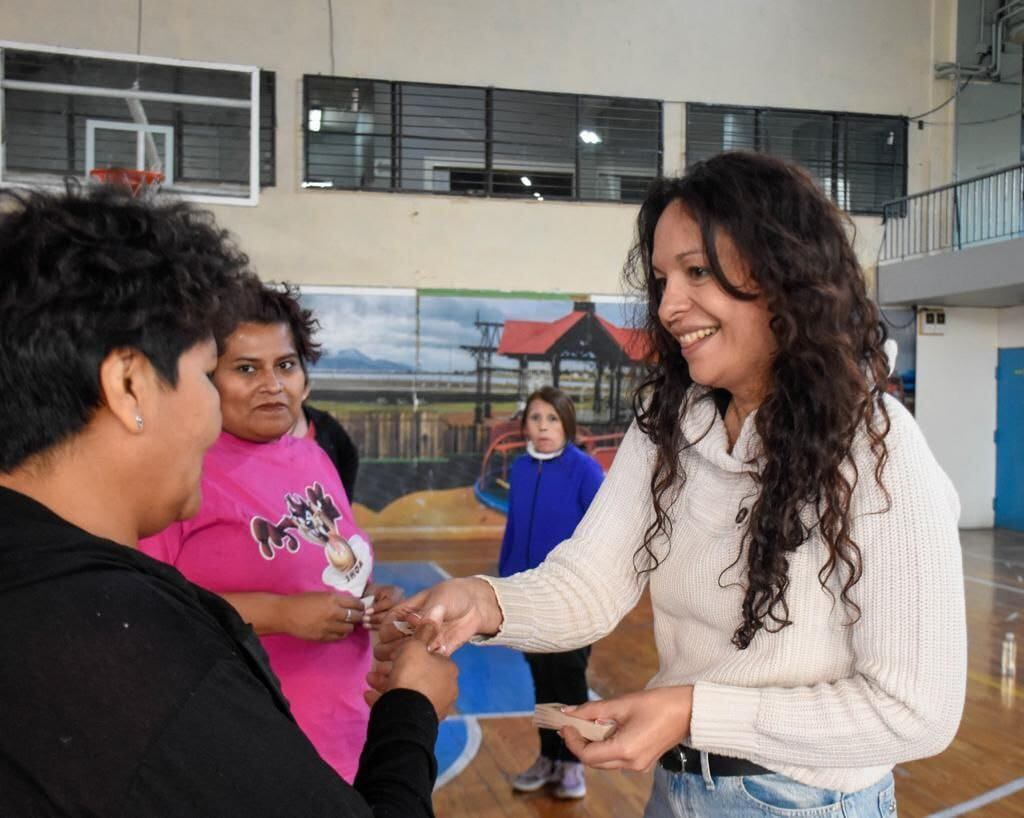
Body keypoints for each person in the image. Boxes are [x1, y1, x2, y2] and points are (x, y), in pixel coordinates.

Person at [381, 152, 966, 817]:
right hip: (679, 788)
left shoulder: (877, 447)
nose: (669, 306)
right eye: (661, 279)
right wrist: (483, 602)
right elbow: (591, 583)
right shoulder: (670, 424)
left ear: (785, 278)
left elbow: (918, 711)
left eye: (697, 273)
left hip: (807, 802)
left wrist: (692, 709)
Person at [0, 184, 456, 817]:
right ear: (130, 385)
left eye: (286, 365)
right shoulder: (148, 657)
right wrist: (413, 712)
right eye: (213, 370)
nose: (219, 408)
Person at [141, 278, 401, 783]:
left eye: (285, 364)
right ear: (204, 376)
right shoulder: (179, 470)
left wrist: (373, 600)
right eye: (245, 368)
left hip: (350, 725)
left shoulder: (313, 455)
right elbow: (146, 609)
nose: (273, 384)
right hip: (252, 742)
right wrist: (279, 613)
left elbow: (331, 564)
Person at [500, 386, 604, 799]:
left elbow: (602, 536)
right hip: (528, 598)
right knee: (542, 683)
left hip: (571, 600)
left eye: (552, 419)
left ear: (567, 425)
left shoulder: (585, 470)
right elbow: (514, 531)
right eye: (536, 418)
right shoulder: (523, 469)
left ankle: (573, 765)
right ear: (525, 424)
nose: (543, 428)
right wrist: (506, 583)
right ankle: (549, 756)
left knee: (569, 684)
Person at [291, 378, 360, 500]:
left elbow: (349, 457)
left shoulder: (324, 423)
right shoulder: (256, 429)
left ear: (305, 390)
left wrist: (342, 500)